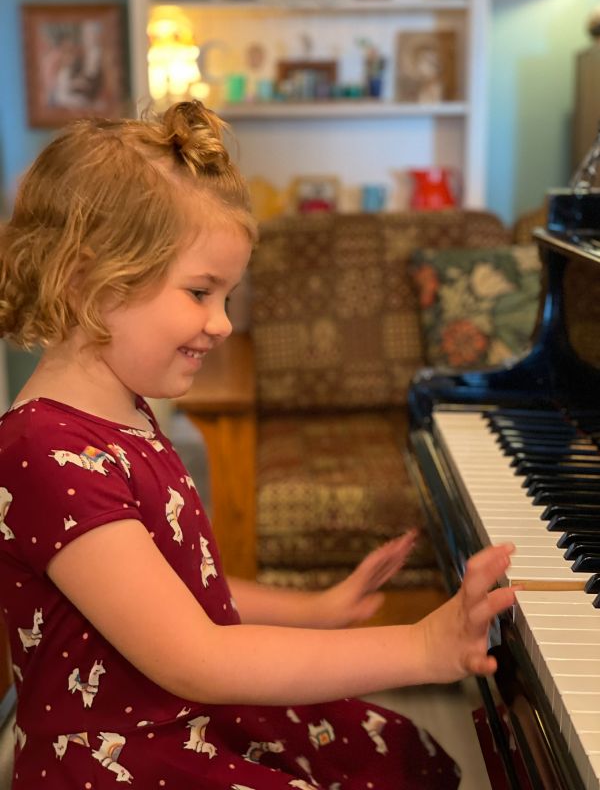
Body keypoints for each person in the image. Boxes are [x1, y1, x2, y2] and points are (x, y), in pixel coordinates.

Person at [0, 100, 516, 789]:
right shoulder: (40, 451)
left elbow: (180, 590)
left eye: (228, 297)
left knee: (386, 748)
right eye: (200, 291)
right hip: (118, 757)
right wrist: (422, 646)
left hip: (178, 714)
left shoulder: (124, 410)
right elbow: (195, 657)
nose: (220, 324)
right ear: (89, 280)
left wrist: (315, 609)